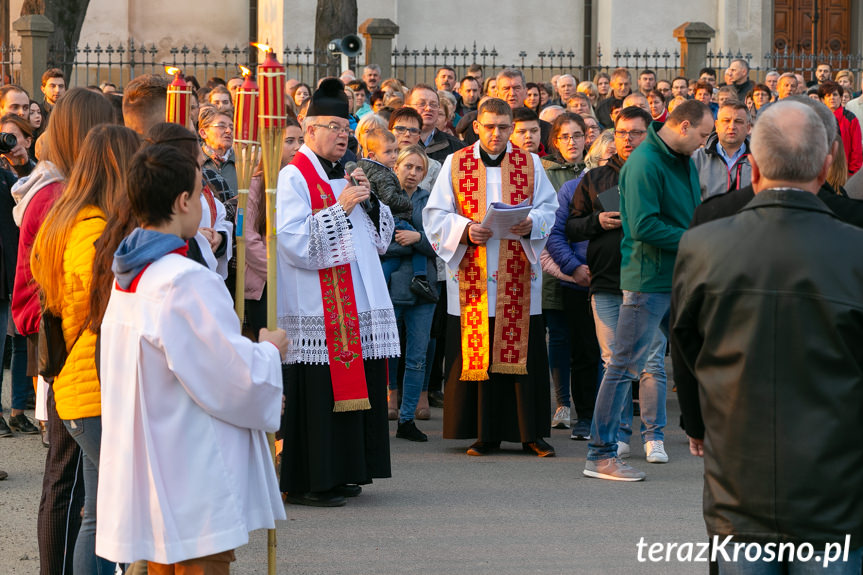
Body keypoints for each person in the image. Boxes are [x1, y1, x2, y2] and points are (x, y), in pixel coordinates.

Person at [671, 99, 863, 573]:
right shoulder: (855, 247)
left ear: (753, 168)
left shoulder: (703, 243)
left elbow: (686, 348)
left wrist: (697, 423)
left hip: (739, 476)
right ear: (825, 166)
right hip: (834, 484)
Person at [96, 142, 288, 572]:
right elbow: (230, 377)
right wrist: (269, 351)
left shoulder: (129, 275)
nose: (205, 202)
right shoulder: (182, 280)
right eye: (202, 192)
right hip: (192, 469)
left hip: (156, 464)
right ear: (183, 201)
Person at [276, 79, 396, 507]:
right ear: (308, 130)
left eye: (346, 126)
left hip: (355, 304)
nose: (343, 134)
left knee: (354, 387)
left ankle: (346, 471)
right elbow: (293, 243)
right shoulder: (294, 176)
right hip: (317, 307)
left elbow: (379, 241)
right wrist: (341, 206)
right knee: (319, 393)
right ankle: (310, 480)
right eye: (332, 126)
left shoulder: (347, 172)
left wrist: (368, 201)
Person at [12, 88, 114, 575]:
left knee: (79, 490)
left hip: (67, 350)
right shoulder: (59, 196)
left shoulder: (65, 191)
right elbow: (66, 297)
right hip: (71, 353)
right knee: (68, 482)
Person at [582, 99, 712, 481]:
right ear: (684, 126)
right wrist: (698, 237)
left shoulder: (679, 158)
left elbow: (688, 211)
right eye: (703, 135)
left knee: (670, 361)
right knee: (622, 366)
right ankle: (600, 454)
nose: (705, 144)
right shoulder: (645, 162)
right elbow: (641, 227)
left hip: (678, 274)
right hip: (647, 280)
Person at [31, 124, 140, 575]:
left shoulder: (72, 217)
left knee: (99, 511)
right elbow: (96, 309)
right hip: (92, 385)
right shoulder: (91, 226)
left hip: (83, 383)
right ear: (116, 167)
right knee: (110, 512)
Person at [423, 97, 558, 457]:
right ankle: (484, 432)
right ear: (477, 127)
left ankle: (531, 433)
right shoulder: (456, 162)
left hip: (518, 274)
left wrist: (534, 224)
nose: (496, 134)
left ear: (512, 128)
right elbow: (435, 214)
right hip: (474, 274)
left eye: (503, 127)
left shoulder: (530, 163)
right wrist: (466, 230)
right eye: (489, 126)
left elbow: (550, 208)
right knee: (478, 349)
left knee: (522, 351)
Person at [566, 106, 662, 450]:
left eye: (636, 133)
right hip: (606, 280)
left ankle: (654, 437)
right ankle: (619, 435)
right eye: (622, 133)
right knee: (613, 362)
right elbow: (572, 225)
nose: (628, 139)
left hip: (649, 279)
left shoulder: (662, 173)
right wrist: (598, 221)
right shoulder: (594, 179)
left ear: (649, 135)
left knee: (651, 361)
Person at [542, 112, 600, 436]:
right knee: (564, 341)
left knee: (594, 349)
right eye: (564, 136)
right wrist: (572, 267)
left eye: (577, 135)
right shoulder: (550, 175)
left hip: (593, 275)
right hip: (559, 271)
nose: (572, 142)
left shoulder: (593, 176)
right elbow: (554, 229)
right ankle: (564, 403)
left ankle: (599, 413)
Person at [385, 145, 439, 441]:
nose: (413, 173)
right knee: (383, 354)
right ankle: (379, 411)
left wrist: (417, 238)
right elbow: (380, 245)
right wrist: (412, 243)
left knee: (417, 357)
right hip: (391, 287)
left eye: (420, 169)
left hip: (423, 289)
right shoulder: (382, 200)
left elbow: (440, 245)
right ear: (397, 167)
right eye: (409, 167)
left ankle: (406, 420)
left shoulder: (430, 201)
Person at [691, 101, 752, 200]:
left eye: (738, 121)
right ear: (717, 125)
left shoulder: (761, 161)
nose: (732, 127)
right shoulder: (696, 159)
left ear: (748, 127)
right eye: (726, 121)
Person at [406, 84, 465, 163]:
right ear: (406, 108)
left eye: (433, 104)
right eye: (422, 104)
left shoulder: (458, 149)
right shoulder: (393, 144)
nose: (428, 108)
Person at [389, 106, 441, 190]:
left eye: (413, 130)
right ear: (389, 132)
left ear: (419, 136)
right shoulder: (379, 163)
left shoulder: (433, 167)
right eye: (400, 129)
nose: (407, 134)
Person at [819, 80, 862, 175]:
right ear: (822, 100)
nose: (832, 98)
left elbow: (857, 149)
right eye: (828, 95)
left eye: (835, 95)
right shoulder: (817, 118)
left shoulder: (851, 119)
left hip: (844, 171)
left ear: (841, 97)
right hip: (821, 171)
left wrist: (852, 172)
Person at [0, 113, 36, 178]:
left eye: (11, 137)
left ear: (28, 142)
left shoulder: (38, 172)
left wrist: (24, 168)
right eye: (3, 136)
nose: (6, 141)